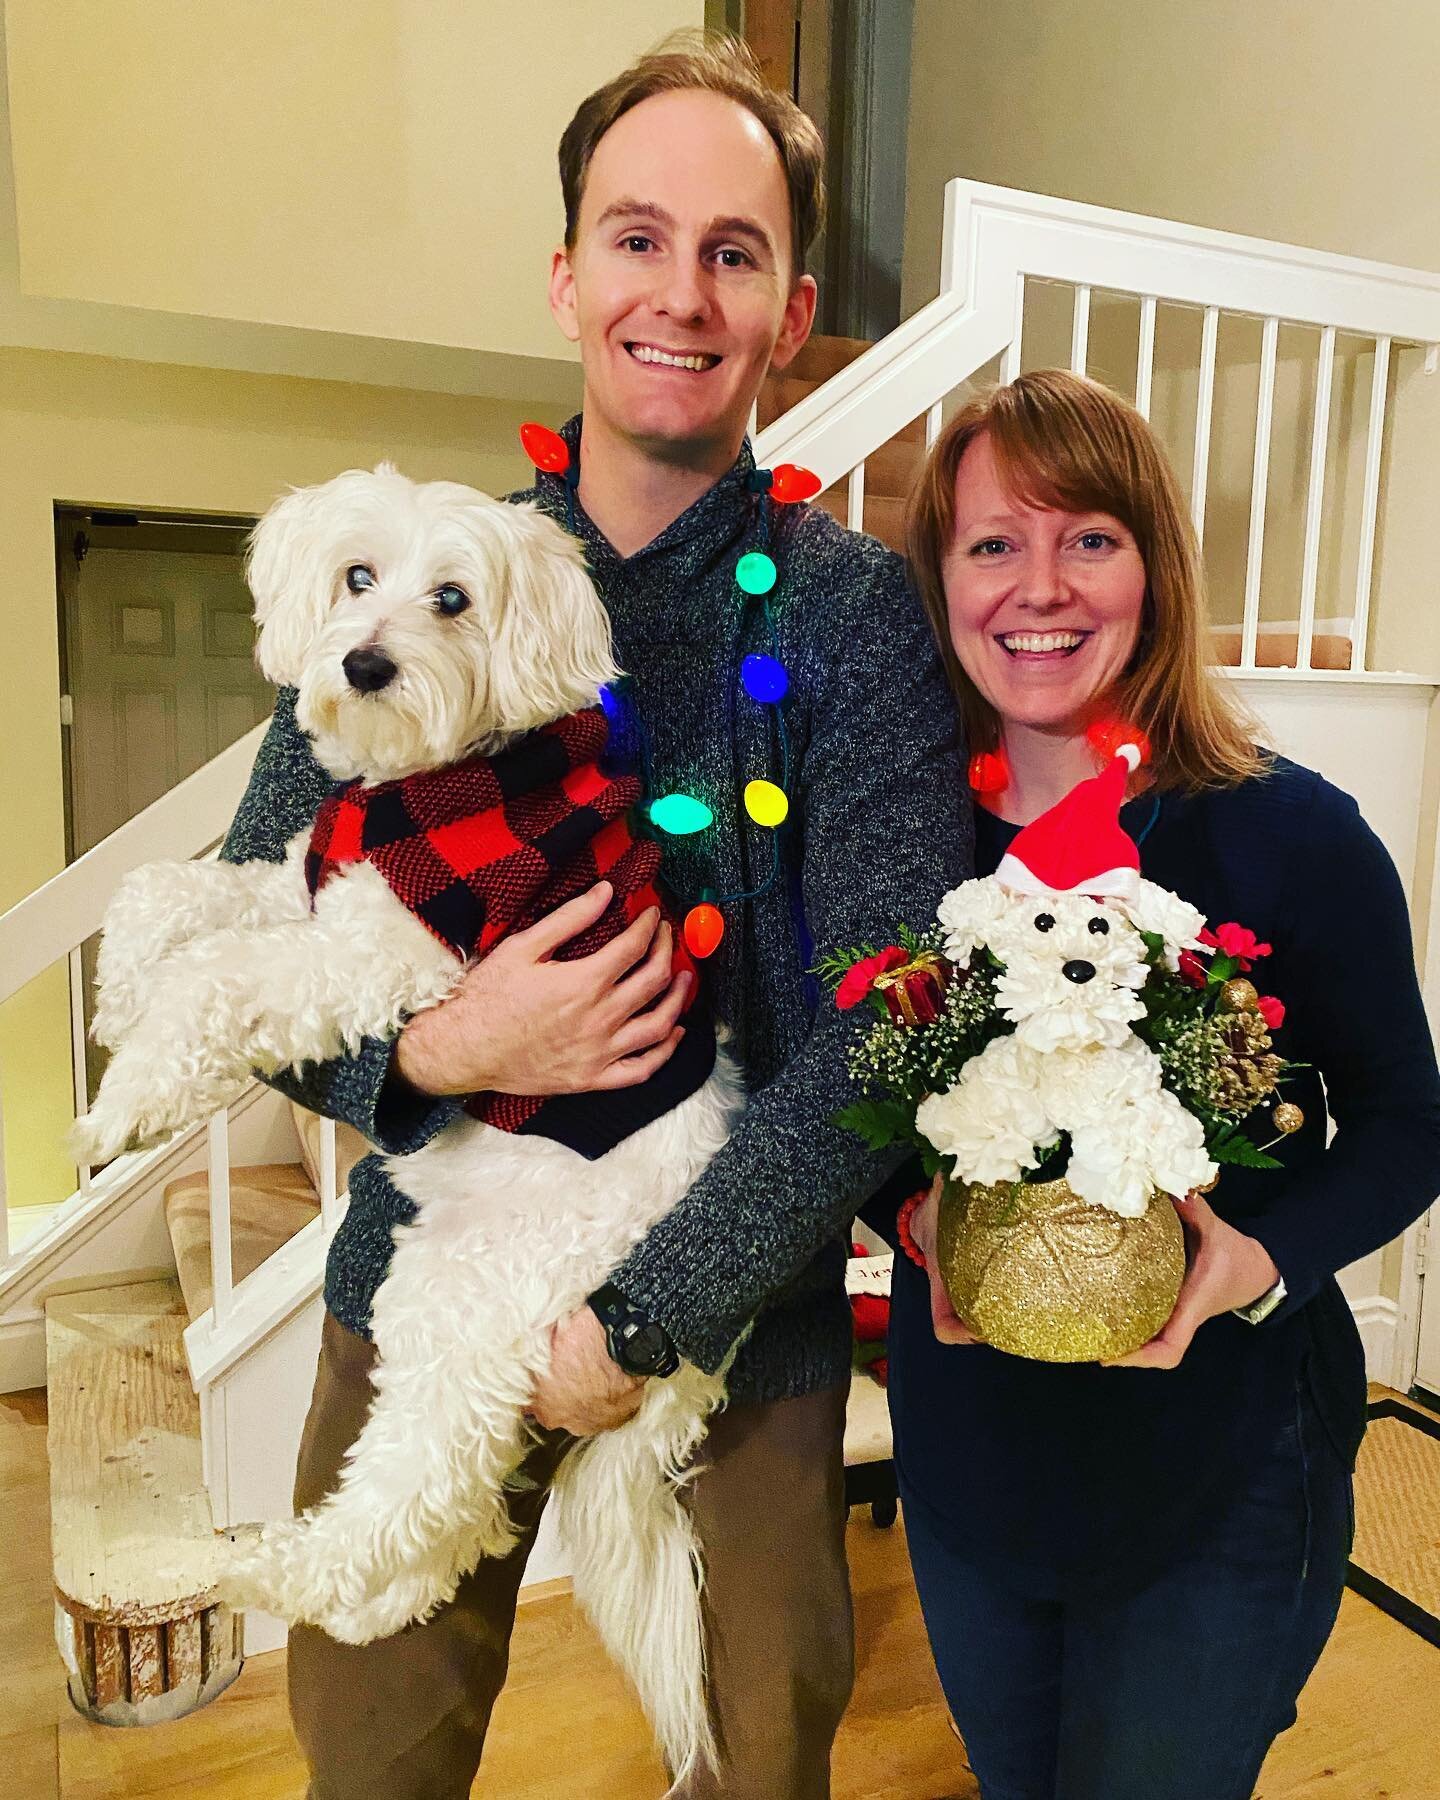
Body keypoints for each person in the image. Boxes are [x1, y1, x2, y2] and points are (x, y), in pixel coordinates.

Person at [221, 32, 970, 1800]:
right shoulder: (409, 581)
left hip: (741, 1315)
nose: (682, 294)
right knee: (372, 1752)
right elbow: (245, 927)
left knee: (754, 1758)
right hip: (430, 1283)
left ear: (789, 312)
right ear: (568, 275)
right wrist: (431, 1052)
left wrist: (641, 1322)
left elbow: (885, 1020)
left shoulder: (858, 619)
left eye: (736, 251)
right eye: (639, 238)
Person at [882, 366, 1440, 1800]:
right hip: (974, 1466)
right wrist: (912, 1215)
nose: (1038, 585)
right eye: (993, 543)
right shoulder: (899, 846)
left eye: (1090, 536)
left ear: (1154, 564)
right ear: (943, 578)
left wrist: (1259, 1257)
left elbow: (1407, 1124)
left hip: (1226, 1466)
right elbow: (853, 1101)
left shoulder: (1290, 836)